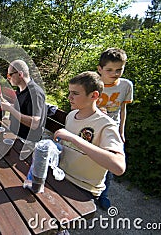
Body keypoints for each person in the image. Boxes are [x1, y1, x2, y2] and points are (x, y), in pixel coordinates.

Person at [54, 71, 126, 202]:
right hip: (60, 175)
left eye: (75, 93)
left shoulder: (106, 125)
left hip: (83, 188)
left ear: (94, 95)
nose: (69, 97)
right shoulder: (71, 115)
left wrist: (73, 138)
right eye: (70, 92)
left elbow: (118, 167)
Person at [96, 48, 133, 209]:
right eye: (109, 70)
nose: (115, 73)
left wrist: (121, 131)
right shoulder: (93, 83)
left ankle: (104, 194)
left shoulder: (126, 85)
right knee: (90, 160)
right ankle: (88, 192)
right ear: (100, 69)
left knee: (110, 165)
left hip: (113, 130)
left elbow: (123, 110)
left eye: (119, 70)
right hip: (94, 129)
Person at [1, 60, 47, 157]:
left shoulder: (35, 93)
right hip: (14, 135)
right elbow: (23, 109)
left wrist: (11, 109)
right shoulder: (20, 89)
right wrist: (9, 105)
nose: (7, 78)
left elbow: (35, 123)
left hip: (26, 142)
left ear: (20, 74)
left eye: (10, 75)